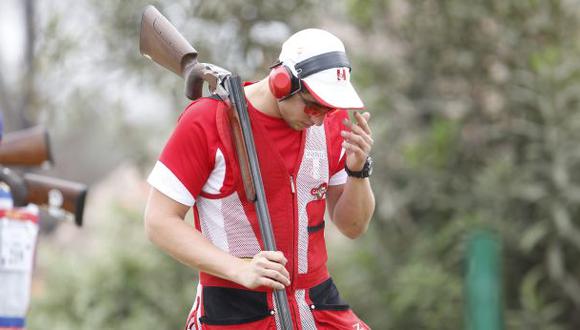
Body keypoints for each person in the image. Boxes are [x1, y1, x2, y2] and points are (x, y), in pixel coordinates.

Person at [144, 28, 375, 329]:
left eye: (329, 107)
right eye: (315, 105)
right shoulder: (206, 120)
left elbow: (353, 227)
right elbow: (159, 222)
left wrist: (358, 171)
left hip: (317, 302)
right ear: (283, 83)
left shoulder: (330, 124)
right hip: (233, 308)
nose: (321, 117)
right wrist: (239, 268)